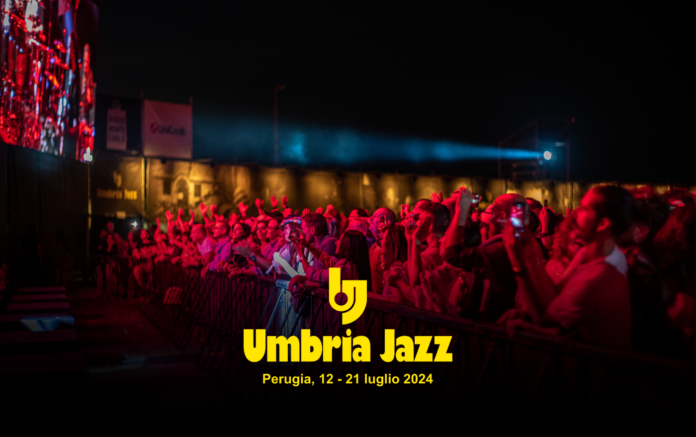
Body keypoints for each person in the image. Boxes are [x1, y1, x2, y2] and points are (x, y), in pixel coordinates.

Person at [503, 185, 634, 349]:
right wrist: (532, 250)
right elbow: (556, 295)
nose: (576, 212)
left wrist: (520, 265)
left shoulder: (597, 277)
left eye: (584, 208)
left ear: (602, 224)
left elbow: (545, 319)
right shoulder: (607, 254)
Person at [289, 230, 370, 295]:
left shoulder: (346, 268)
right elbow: (326, 259)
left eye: (340, 240)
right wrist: (307, 245)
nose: (336, 242)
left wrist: (302, 255)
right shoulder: (350, 264)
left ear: (347, 246)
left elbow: (313, 275)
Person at [367, 207, 397, 295]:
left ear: (387, 222)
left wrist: (383, 233)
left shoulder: (390, 247)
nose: (370, 219)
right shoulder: (374, 245)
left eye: (375, 216)